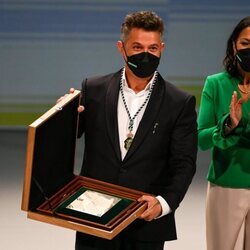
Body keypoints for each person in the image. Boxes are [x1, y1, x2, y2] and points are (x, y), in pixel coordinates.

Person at [65, 11, 197, 250]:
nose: (146, 54)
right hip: (94, 216)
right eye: (137, 47)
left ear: (162, 48)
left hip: (145, 220)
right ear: (121, 47)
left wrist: (164, 203)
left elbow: (184, 163)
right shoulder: (93, 89)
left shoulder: (179, 102)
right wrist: (62, 117)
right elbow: (67, 139)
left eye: (153, 48)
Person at [198, 16, 250, 250]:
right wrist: (229, 123)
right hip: (227, 185)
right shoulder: (216, 84)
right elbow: (201, 139)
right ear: (234, 46)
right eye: (246, 43)